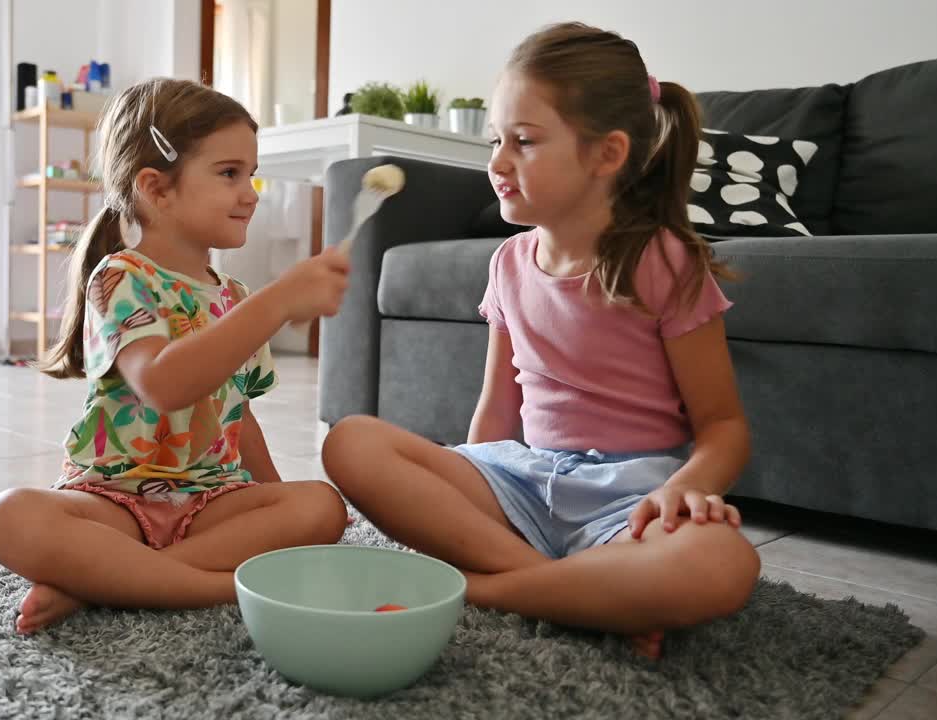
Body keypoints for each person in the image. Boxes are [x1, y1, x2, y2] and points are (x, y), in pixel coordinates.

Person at [322, 23, 760, 659]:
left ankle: (482, 586)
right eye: (495, 140)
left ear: (606, 154)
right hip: (521, 482)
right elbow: (497, 411)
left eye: (523, 142)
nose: (496, 162)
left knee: (723, 566)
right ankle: (562, 588)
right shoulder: (507, 263)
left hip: (629, 500)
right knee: (351, 442)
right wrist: (464, 482)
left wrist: (684, 490)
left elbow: (724, 425)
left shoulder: (665, 262)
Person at [0, 78, 351, 635]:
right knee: (10, 518)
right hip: (117, 499)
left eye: (251, 174)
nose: (250, 193)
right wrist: (279, 301)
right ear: (156, 189)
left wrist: (271, 499)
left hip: (211, 501)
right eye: (229, 173)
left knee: (322, 505)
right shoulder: (120, 279)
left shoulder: (234, 298)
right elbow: (161, 383)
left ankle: (115, 582)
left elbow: (238, 413)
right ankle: (217, 586)